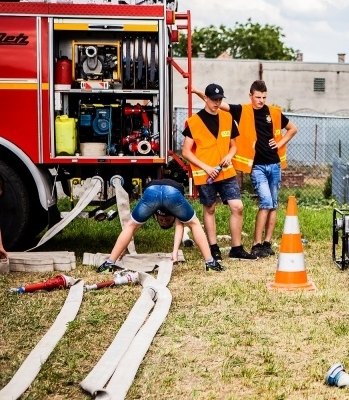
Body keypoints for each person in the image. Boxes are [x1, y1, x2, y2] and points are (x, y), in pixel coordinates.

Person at [192, 80, 298, 258]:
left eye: (264, 97)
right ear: (250, 96)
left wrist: (279, 143)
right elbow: (215, 102)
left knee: (273, 205)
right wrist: (196, 91)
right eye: (258, 97)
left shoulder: (274, 112)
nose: (261, 100)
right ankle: (256, 244)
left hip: (275, 164)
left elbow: (292, 129)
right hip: (257, 166)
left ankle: (267, 243)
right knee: (266, 202)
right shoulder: (242, 110)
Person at [182, 83, 256, 261]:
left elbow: (234, 146)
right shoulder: (194, 122)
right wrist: (206, 167)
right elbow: (185, 151)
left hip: (226, 172)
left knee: (237, 207)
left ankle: (236, 248)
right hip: (205, 174)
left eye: (220, 99)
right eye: (214, 99)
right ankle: (213, 247)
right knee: (210, 208)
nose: (217, 102)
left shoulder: (227, 118)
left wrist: (230, 156)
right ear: (205, 99)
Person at [97, 178, 224, 272]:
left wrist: (175, 252)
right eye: (165, 221)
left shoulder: (155, 211)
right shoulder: (175, 214)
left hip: (152, 191)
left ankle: (109, 263)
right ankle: (210, 263)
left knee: (130, 225)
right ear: (156, 216)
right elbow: (180, 225)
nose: (164, 220)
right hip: (171, 192)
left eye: (165, 221)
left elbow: (133, 228)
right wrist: (174, 252)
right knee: (194, 223)